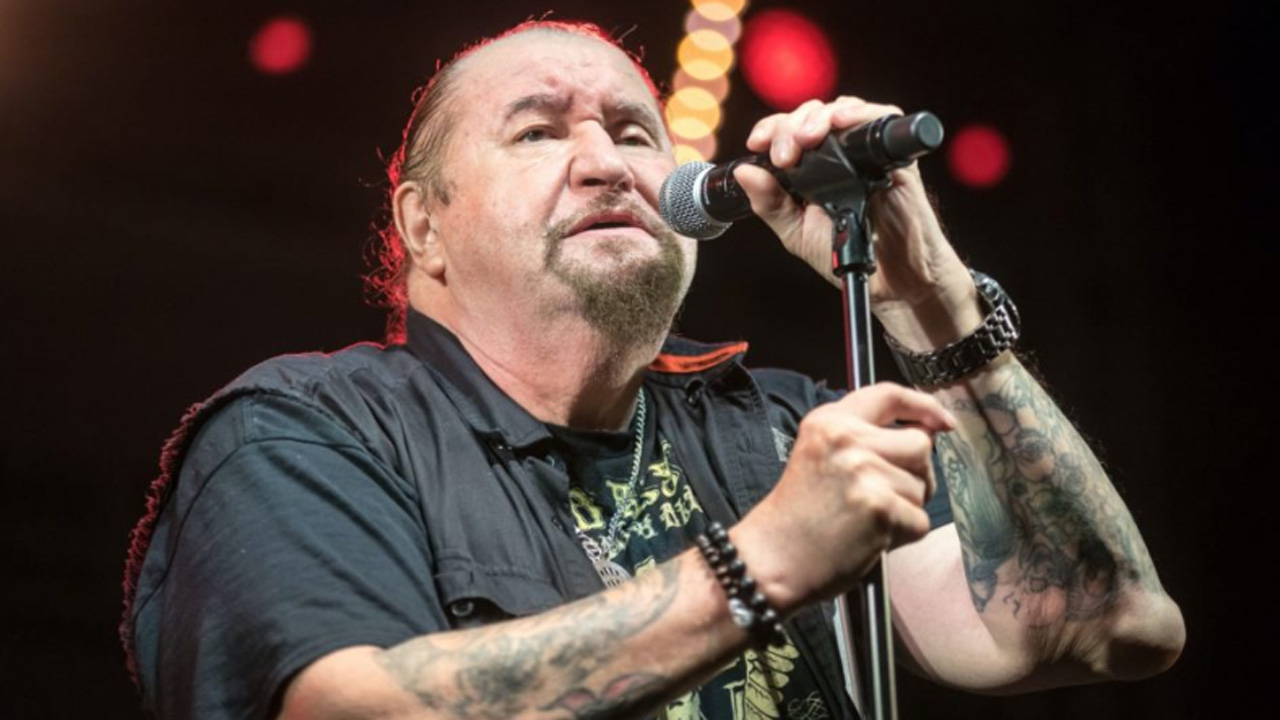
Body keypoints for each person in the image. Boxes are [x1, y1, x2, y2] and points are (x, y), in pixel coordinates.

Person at [120, 19, 1184, 720]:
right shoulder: (304, 432)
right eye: (536, 133)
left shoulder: (780, 432)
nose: (605, 163)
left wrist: (930, 296)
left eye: (635, 132)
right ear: (422, 226)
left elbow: (1109, 623)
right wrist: (763, 563)